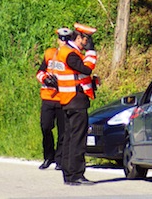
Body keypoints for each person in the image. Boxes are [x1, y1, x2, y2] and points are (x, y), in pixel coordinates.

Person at [53, 23, 97, 186]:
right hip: (75, 100)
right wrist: (91, 53)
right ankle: (76, 174)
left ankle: (69, 174)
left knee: (70, 138)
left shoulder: (65, 52)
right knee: (77, 139)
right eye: (86, 41)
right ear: (79, 37)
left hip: (68, 99)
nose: (86, 44)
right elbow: (86, 69)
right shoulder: (70, 54)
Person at [36, 27, 72, 170]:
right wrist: (45, 79)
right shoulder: (49, 53)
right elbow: (40, 72)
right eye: (61, 39)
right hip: (48, 97)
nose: (63, 42)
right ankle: (48, 156)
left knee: (63, 131)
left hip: (63, 98)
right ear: (58, 39)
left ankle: (60, 159)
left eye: (66, 39)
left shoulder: (71, 55)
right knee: (45, 127)